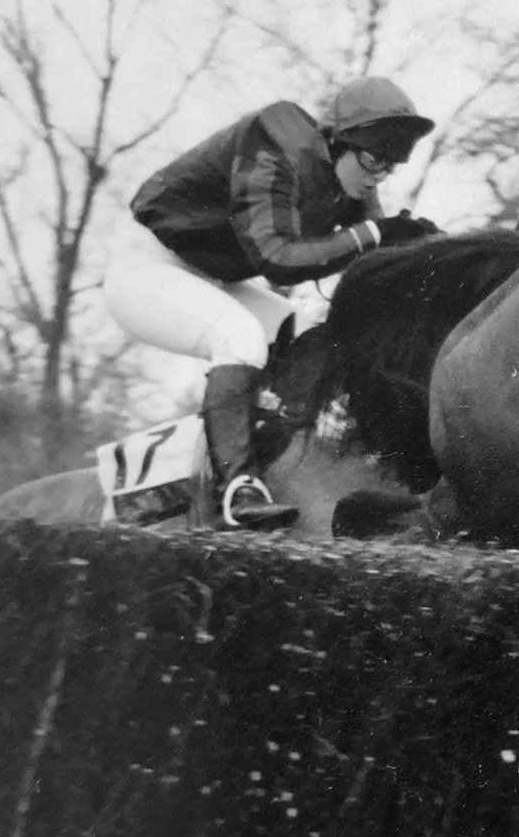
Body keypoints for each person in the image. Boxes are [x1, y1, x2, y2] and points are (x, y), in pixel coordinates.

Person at [103, 77, 440, 529]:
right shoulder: (274, 140)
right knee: (239, 338)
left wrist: (424, 251)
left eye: (390, 166)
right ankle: (236, 489)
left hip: (212, 277)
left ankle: (267, 463)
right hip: (148, 267)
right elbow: (277, 258)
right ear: (341, 142)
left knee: (306, 338)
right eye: (374, 160)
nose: (378, 175)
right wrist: (371, 236)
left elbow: (374, 257)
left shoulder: (351, 180)